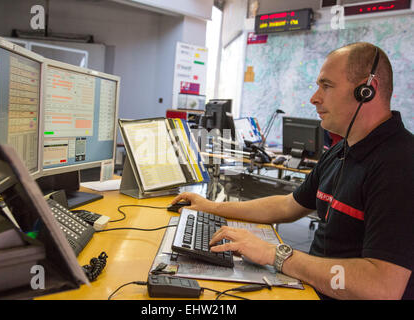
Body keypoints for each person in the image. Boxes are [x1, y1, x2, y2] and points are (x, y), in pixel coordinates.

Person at [172, 42, 413, 300]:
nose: (314, 98)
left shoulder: (401, 163)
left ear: (367, 90)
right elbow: (288, 206)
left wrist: (275, 255)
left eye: (327, 86)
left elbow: (382, 287)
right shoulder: (341, 150)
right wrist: (210, 207)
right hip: (312, 289)